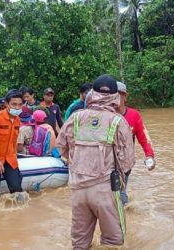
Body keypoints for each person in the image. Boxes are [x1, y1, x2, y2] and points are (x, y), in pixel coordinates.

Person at [56, 75, 135, 249]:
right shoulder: (118, 121)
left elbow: (60, 147)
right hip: (106, 190)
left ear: (92, 94)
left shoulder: (76, 118)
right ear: (116, 96)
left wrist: (78, 162)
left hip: (77, 189)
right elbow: (128, 161)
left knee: (79, 243)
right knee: (113, 242)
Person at [117, 81, 156, 204]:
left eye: (119, 95)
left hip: (125, 163)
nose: (116, 98)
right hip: (105, 163)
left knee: (120, 196)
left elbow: (144, 138)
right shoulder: (104, 115)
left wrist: (149, 156)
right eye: (112, 95)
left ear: (125, 97)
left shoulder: (134, 115)